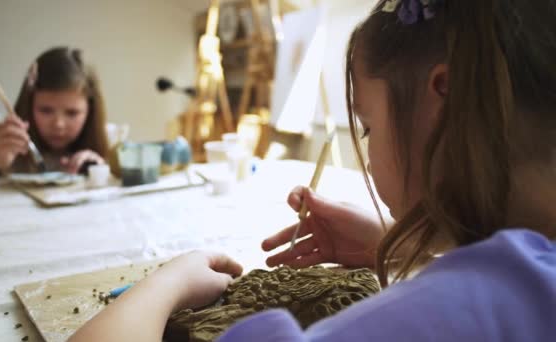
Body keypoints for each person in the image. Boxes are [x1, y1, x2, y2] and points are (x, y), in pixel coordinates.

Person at [70, 0, 556, 341]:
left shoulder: (430, 319)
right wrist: (401, 241)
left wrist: (167, 283)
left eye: (366, 126)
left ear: (442, 101)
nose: (366, 143)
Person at [0, 47, 109, 184]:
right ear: (28, 106)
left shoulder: (108, 145)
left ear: (91, 111)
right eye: (46, 110)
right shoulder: (3, 144)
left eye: (72, 113)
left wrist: (100, 170)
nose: (58, 124)